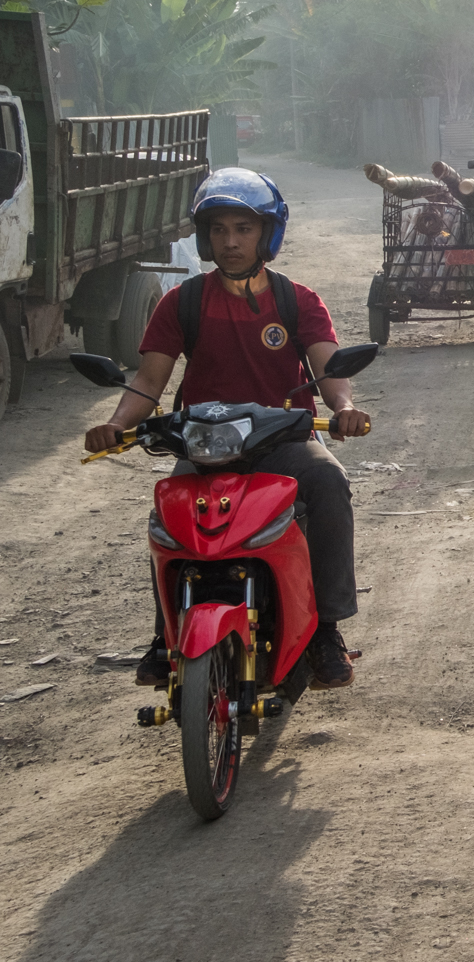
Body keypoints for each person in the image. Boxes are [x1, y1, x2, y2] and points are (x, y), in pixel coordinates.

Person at [82, 169, 371, 690]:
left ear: (267, 234)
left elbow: (330, 372)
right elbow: (148, 381)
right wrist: (115, 423)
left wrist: (345, 407)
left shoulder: (296, 300)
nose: (230, 241)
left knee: (328, 482)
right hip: (204, 442)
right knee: (169, 515)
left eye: (243, 228)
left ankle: (326, 628)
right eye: (218, 230)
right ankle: (164, 635)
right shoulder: (183, 302)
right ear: (205, 236)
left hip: (284, 439)